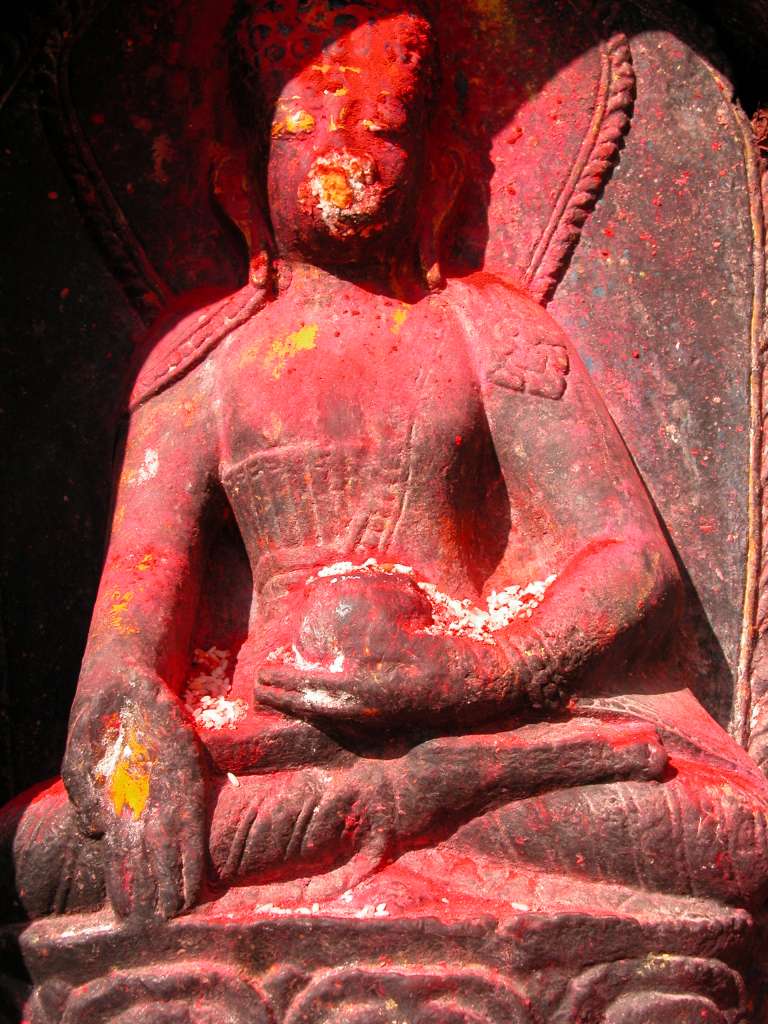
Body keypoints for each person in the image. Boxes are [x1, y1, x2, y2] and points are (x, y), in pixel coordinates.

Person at [4, 0, 768, 924]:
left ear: (438, 174)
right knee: (44, 853)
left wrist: (490, 670)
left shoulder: (488, 329)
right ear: (242, 180)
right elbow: (121, 657)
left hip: (491, 724)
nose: (344, 146)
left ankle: (398, 808)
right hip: (270, 746)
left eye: (383, 125)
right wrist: (138, 767)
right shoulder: (200, 366)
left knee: (728, 834)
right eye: (307, 121)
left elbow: (631, 560)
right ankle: (406, 809)